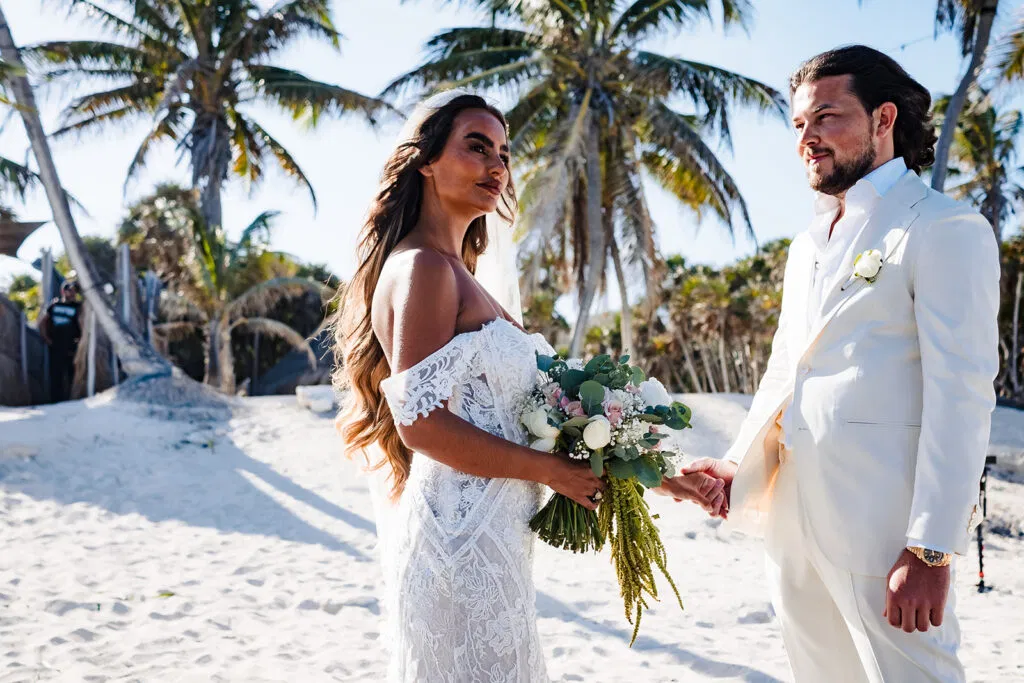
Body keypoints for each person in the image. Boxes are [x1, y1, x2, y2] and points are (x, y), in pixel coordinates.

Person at [332, 91, 723, 683]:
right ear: (426, 161)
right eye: (476, 146)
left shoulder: (457, 273)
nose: (496, 165)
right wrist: (548, 473)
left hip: (495, 538)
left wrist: (671, 479)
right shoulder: (423, 269)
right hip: (459, 540)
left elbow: (554, 412)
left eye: (504, 153)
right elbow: (421, 425)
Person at [665, 45, 999, 682]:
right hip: (794, 518)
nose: (808, 139)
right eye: (799, 126)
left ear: (883, 119)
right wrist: (739, 461)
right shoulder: (806, 244)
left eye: (826, 118)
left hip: (884, 523)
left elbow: (962, 393)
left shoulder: (944, 227)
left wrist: (932, 546)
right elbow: (787, 367)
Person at [38, 279, 83, 402]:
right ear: (63, 291)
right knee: (55, 374)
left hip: (72, 346)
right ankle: (55, 400)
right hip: (56, 345)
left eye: (74, 291)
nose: (72, 293)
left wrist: (81, 340)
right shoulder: (54, 305)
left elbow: (83, 324)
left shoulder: (78, 306)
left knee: (72, 374)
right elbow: (42, 322)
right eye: (70, 290)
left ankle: (73, 399)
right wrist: (46, 338)